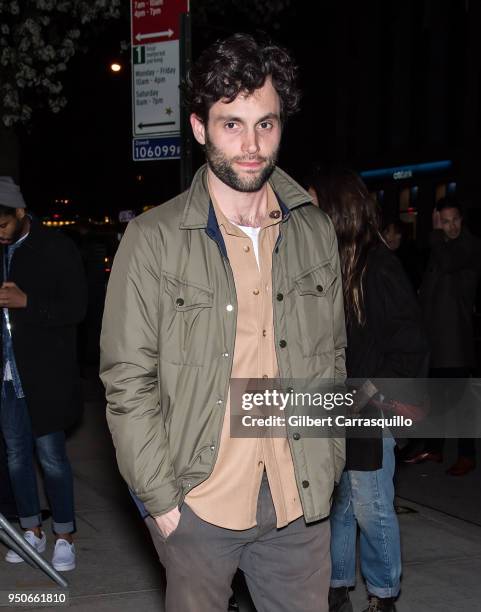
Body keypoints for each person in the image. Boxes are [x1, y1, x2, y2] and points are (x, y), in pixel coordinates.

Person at [100, 33, 346, 612]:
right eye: (231, 124)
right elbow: (126, 382)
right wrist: (162, 501)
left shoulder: (314, 233)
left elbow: (332, 358)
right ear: (199, 127)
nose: (252, 143)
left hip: (298, 499)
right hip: (199, 502)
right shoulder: (154, 240)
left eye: (266, 123)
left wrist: (329, 458)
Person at [309, 169, 428, 612]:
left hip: (370, 411)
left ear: (338, 211)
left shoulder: (377, 266)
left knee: (370, 506)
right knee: (337, 502)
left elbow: (410, 343)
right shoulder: (331, 265)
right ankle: (336, 585)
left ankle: (382, 595)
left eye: (316, 206)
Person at [0, 177, 87, 571]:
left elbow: (76, 310)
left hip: (43, 376)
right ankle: (30, 530)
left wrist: (26, 302)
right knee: (16, 456)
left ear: (20, 213)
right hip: (4, 376)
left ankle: (64, 535)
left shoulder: (55, 248)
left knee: (51, 457)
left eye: (2, 224)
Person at [407, 196, 481, 475]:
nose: (450, 227)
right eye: (444, 221)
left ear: (462, 220)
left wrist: (437, 235)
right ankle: (435, 449)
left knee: (462, 402)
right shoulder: (442, 248)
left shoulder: (469, 246)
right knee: (436, 397)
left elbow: (450, 264)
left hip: (456, 340)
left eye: (454, 220)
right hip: (435, 338)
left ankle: (467, 455)